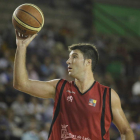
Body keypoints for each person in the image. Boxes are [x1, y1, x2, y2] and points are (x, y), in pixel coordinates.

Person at [13, 31, 134, 140]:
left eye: (74, 57)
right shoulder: (60, 87)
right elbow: (21, 84)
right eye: (69, 57)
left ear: (88, 62)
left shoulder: (108, 95)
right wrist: (21, 47)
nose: (68, 61)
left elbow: (126, 131)